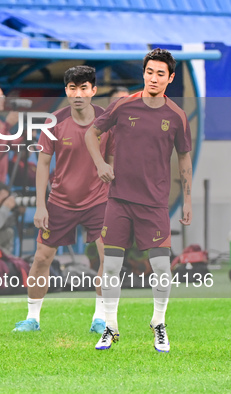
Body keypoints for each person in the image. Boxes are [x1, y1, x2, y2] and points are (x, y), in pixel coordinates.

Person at [85, 48, 193, 352]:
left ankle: (158, 323)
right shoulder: (123, 105)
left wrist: (187, 199)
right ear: (143, 73)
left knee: (161, 267)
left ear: (170, 78)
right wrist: (101, 165)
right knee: (111, 267)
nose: (154, 78)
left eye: (161, 73)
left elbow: (184, 158)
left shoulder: (176, 116)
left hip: (155, 204)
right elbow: (91, 134)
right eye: (149, 72)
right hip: (118, 201)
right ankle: (110, 327)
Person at [13, 65, 113, 334]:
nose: (78, 93)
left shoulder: (107, 120)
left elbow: (113, 161)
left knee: (108, 259)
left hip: (99, 202)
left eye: (83, 88)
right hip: (61, 203)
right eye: (72, 88)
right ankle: (32, 318)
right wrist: (41, 205)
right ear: (66, 91)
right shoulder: (53, 122)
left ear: (93, 90)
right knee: (41, 258)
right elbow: (43, 165)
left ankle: (100, 318)